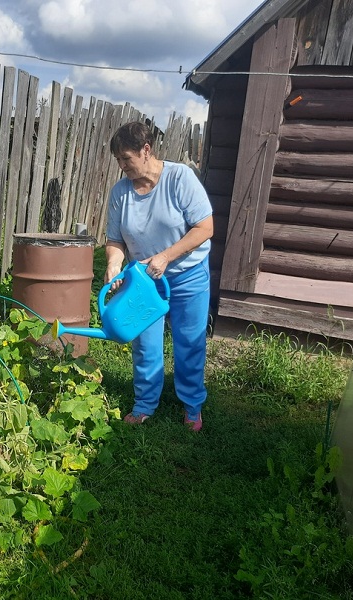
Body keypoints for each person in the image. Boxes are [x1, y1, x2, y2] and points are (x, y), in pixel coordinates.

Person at [104, 121, 213, 431]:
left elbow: (205, 228)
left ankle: (192, 406)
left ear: (146, 150)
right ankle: (144, 404)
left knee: (189, 342)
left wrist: (166, 256)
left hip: (187, 275)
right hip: (144, 281)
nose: (122, 166)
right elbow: (115, 240)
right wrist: (113, 264)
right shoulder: (120, 192)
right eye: (119, 160)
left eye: (126, 158)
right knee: (145, 344)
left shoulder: (180, 178)